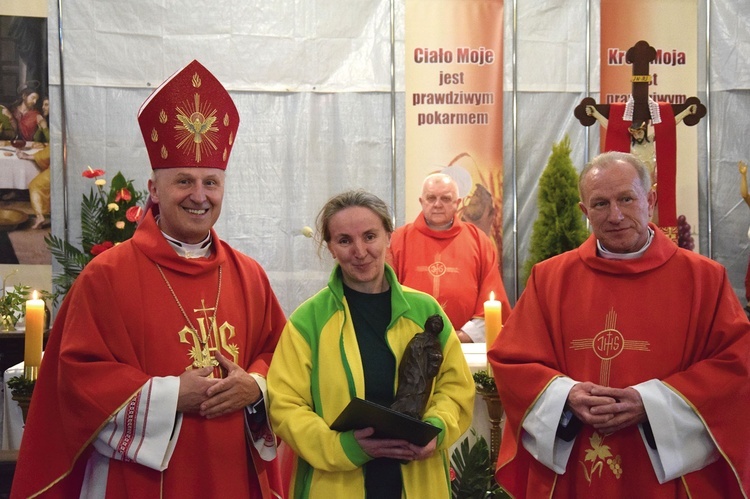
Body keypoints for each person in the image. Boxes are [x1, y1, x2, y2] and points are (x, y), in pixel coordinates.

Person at [12, 60, 287, 498]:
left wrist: (254, 386)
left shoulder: (248, 275)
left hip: (232, 473)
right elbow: (77, 380)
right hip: (140, 482)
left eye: (211, 183)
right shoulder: (107, 276)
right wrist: (172, 395)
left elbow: (282, 355)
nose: (199, 196)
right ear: (154, 190)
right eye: (183, 181)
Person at [489, 151, 750, 497]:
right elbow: (513, 362)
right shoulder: (550, 279)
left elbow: (736, 366)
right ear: (584, 212)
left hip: (666, 478)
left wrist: (651, 403)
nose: (615, 215)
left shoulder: (703, 279)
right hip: (577, 467)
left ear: (650, 200)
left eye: (626, 199)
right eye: (599, 204)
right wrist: (567, 396)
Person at [267, 189, 474, 498]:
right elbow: (285, 405)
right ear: (330, 247)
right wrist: (343, 447)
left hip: (417, 477)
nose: (360, 251)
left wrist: (436, 428)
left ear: (389, 236)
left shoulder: (425, 312)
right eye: (345, 240)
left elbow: (455, 387)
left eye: (370, 236)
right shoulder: (308, 320)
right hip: (335, 482)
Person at [387, 173, 511, 343]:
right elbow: (386, 295)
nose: (437, 204)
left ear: (457, 203)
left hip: (463, 346)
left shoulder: (479, 240)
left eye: (445, 199)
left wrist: (459, 337)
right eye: (431, 198)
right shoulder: (398, 240)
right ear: (421, 202)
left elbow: (492, 298)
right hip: (409, 343)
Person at [16, 96, 50, 229]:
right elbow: (38, 139)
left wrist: (27, 157)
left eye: (47, 105)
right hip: (50, 161)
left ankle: (40, 216)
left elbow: (53, 149)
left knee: (35, 185)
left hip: (59, 167)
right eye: (44, 105)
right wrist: (41, 128)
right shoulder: (43, 119)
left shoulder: (52, 124)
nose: (43, 107)